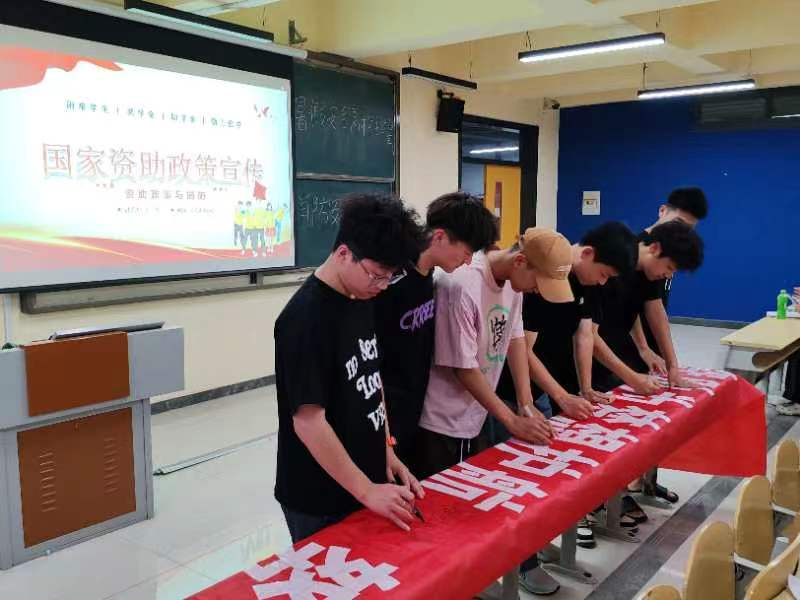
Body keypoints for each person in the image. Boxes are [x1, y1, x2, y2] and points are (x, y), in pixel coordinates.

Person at [493, 222, 638, 595]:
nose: (602, 282)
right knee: (517, 483)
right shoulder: (537, 279)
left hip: (541, 395)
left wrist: (584, 388)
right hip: (512, 393)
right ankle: (521, 563)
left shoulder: (582, 283)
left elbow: (585, 335)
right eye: (603, 274)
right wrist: (551, 398)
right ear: (587, 254)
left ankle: (536, 546)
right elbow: (521, 349)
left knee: (545, 478)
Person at [274, 193, 426, 543]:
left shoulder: (360, 296)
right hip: (319, 494)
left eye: (390, 278)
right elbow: (308, 422)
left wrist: (385, 449)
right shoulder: (304, 320)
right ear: (344, 254)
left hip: (362, 480)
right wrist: (366, 491)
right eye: (377, 276)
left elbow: (371, 377)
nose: (383, 286)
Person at [416, 228, 576, 482]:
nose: (537, 290)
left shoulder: (514, 284)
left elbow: (515, 338)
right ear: (520, 261)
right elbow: (463, 368)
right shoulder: (462, 283)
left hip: (476, 412)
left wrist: (526, 403)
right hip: (443, 419)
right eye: (538, 283)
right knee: (445, 495)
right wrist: (511, 421)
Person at [373, 191, 499, 473]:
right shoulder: (389, 281)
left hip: (415, 410)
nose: (468, 261)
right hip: (385, 415)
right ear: (440, 237)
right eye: (466, 252)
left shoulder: (432, 276)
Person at [591, 220, 704, 522]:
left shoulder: (648, 270)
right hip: (586, 354)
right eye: (669, 268)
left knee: (621, 428)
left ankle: (615, 495)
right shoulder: (614, 263)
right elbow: (587, 335)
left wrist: (666, 362)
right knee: (594, 432)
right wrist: (631, 377)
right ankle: (591, 507)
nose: (668, 276)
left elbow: (649, 310)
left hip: (614, 346)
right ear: (654, 248)